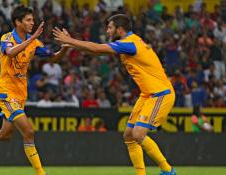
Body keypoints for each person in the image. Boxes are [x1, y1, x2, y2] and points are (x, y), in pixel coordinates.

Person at [53, 14, 176, 175]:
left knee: (138, 134)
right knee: (129, 135)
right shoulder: (130, 42)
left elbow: (97, 48)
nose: (107, 30)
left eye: (110, 27)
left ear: (120, 29)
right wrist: (72, 45)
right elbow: (97, 52)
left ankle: (167, 170)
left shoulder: (129, 44)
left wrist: (70, 41)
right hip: (147, 94)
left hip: (160, 93)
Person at [0, 5, 68, 175]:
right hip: (6, 93)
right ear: (17, 22)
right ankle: (41, 173)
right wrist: (32, 38)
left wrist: (66, 47)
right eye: (28, 20)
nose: (32, 22)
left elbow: (54, 58)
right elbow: (10, 53)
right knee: (28, 131)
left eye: (32, 20)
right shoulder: (7, 38)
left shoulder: (34, 43)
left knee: (5, 134)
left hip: (20, 94)